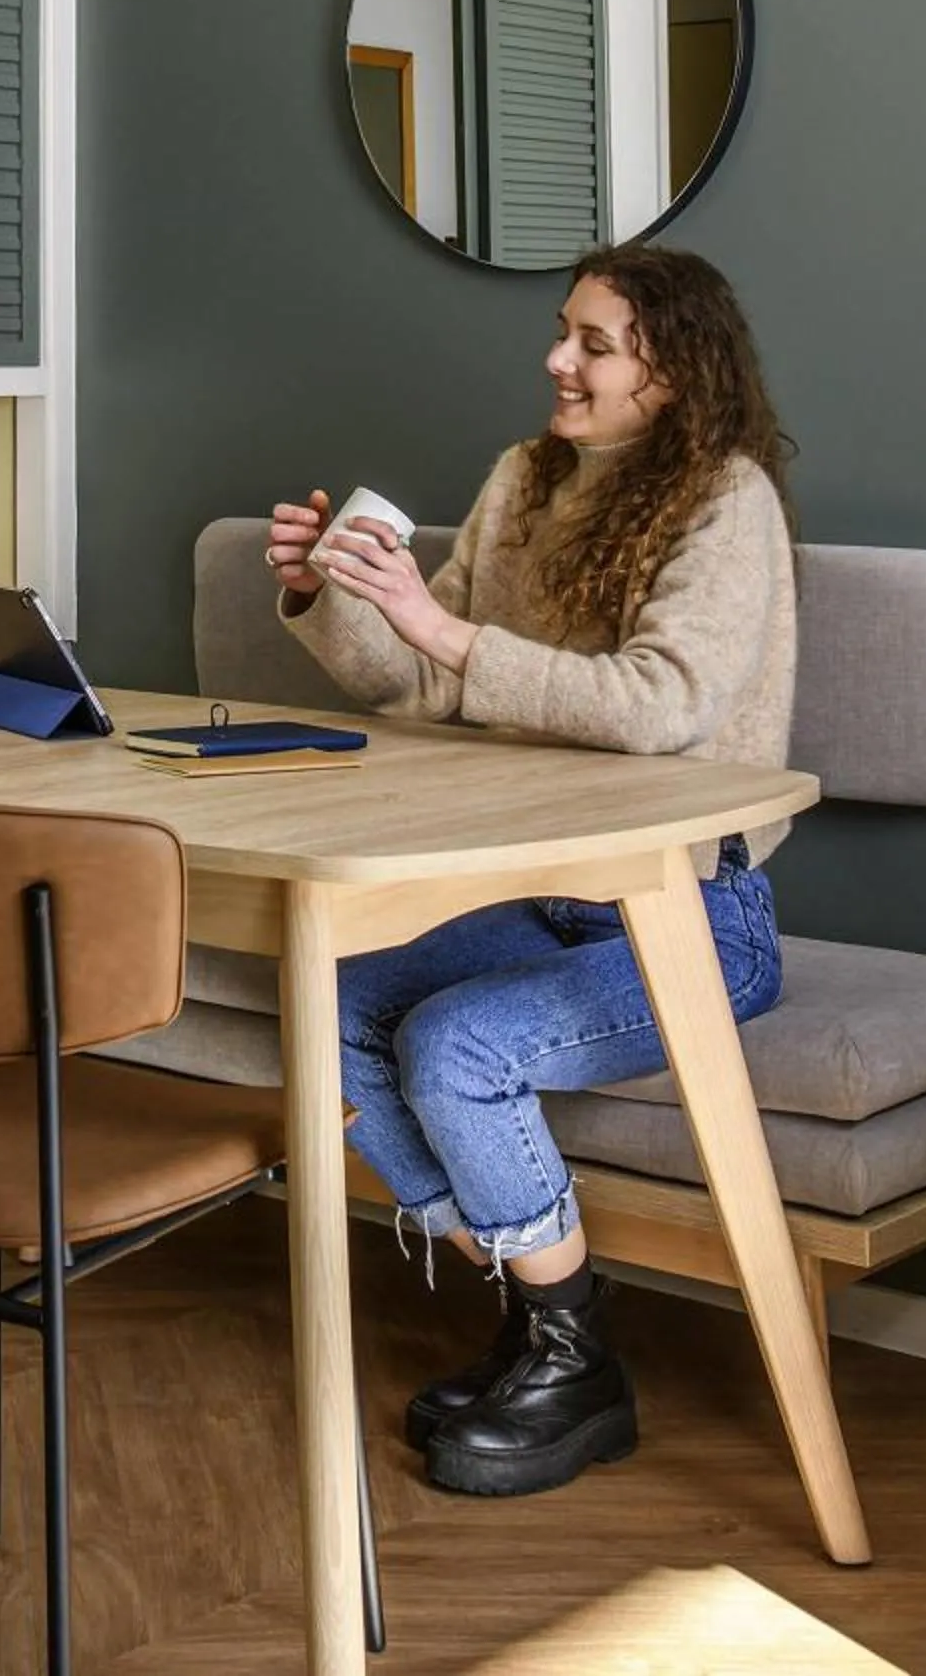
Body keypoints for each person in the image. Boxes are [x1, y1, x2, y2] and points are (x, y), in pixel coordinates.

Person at [264, 242, 796, 1501]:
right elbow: (423, 681)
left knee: (457, 1046)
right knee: (332, 997)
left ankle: (569, 1358)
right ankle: (548, 1319)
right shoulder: (522, 481)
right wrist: (331, 594)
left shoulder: (729, 502)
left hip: (687, 912)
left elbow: (664, 703)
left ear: (672, 372)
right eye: (566, 332)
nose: (558, 360)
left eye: (594, 344)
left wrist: (446, 627)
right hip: (525, 896)